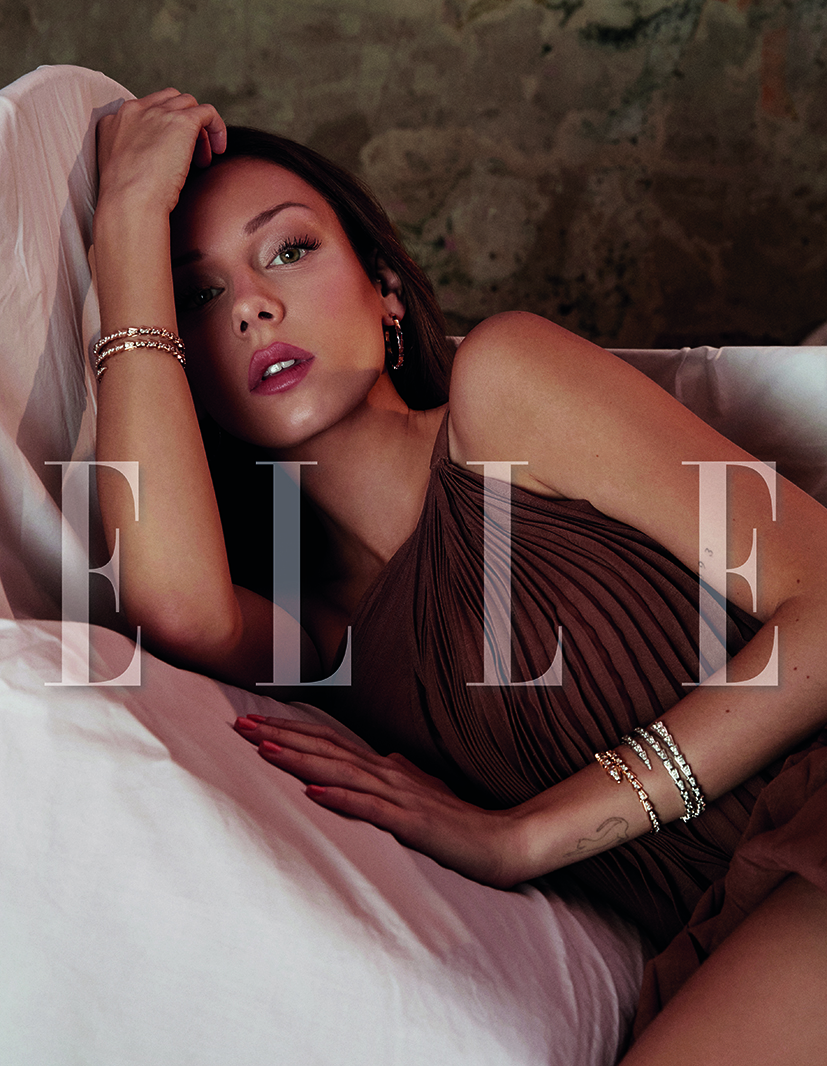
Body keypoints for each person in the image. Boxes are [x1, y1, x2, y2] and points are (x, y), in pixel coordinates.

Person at [93, 90, 827, 1063]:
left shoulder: (505, 387)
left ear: (386, 289)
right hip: (726, 932)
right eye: (197, 295)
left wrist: (525, 836)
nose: (252, 306)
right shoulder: (318, 636)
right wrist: (124, 226)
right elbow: (174, 607)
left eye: (289, 250)